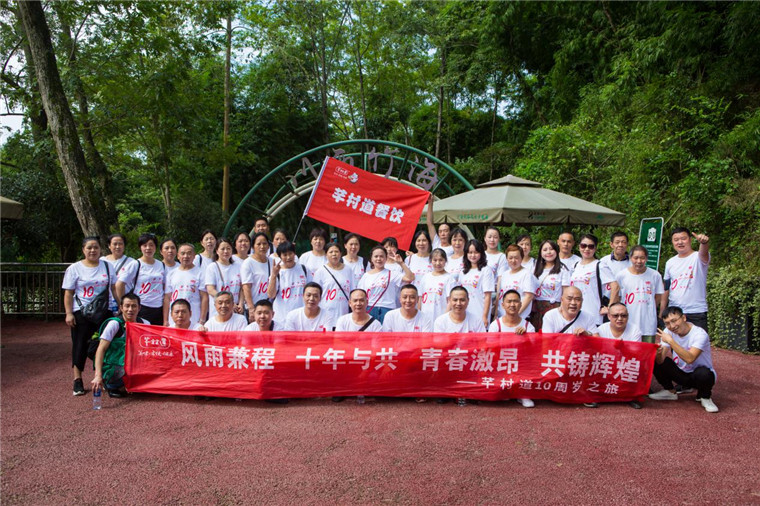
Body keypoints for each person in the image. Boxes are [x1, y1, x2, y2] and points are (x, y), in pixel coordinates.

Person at [63, 236, 117, 396]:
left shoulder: (107, 266)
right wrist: (69, 313)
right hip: (82, 312)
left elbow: (114, 288)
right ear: (83, 250)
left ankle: (103, 376)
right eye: (89, 247)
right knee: (79, 344)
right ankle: (77, 379)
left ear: (100, 249)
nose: (93, 250)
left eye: (96, 247)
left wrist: (120, 305)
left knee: (105, 343)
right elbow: (68, 293)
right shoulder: (74, 268)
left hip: (104, 311)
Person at [649, 306, 719, 413]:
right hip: (681, 374)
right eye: (667, 323)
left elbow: (690, 358)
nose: (672, 326)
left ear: (684, 318)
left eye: (674, 321)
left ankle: (705, 397)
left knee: (703, 373)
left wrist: (671, 341)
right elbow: (660, 361)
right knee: (652, 358)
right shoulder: (668, 331)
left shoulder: (699, 334)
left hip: (699, 375)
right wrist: (658, 354)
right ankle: (670, 391)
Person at [90, 293, 149, 398]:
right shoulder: (114, 324)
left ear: (139, 308)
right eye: (127, 306)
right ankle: (112, 385)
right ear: (121, 308)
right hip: (115, 362)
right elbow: (101, 349)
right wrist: (98, 375)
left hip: (135, 359)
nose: (130, 309)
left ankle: (134, 384)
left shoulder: (145, 324)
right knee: (122, 368)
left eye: (134, 306)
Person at [488, 290, 535, 408]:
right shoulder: (495, 325)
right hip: (501, 362)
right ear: (503, 305)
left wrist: (525, 337)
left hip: (520, 363)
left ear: (520, 304)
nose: (512, 305)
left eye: (515, 301)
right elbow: (490, 348)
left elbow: (534, 350)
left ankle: (522, 393)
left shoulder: (528, 326)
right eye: (509, 302)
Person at [592, 302, 644, 409]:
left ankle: (632, 397)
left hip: (626, 364)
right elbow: (597, 351)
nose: (620, 319)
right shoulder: (601, 329)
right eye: (615, 316)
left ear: (628, 316)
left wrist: (622, 349)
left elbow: (636, 354)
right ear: (609, 316)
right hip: (606, 364)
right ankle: (596, 395)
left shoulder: (635, 330)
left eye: (623, 316)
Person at [609, 246, 664, 343]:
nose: (639, 261)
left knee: (646, 350)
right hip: (627, 322)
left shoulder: (655, 275)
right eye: (636, 258)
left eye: (642, 258)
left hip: (647, 324)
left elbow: (658, 297)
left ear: (646, 258)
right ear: (630, 258)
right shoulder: (621, 275)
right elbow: (618, 297)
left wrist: (649, 308)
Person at [662, 227, 710, 331]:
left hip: (696, 312)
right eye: (676, 240)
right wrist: (662, 312)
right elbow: (666, 288)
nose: (680, 242)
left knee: (698, 341)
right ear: (672, 242)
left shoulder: (697, 257)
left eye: (683, 238)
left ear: (690, 240)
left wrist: (704, 243)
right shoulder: (670, 262)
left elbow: (704, 253)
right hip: (674, 313)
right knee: (673, 341)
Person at [115, 233, 166, 325]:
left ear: (155, 247)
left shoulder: (161, 265)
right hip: (142, 307)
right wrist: (122, 304)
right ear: (140, 247)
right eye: (144, 245)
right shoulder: (136, 264)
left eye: (151, 245)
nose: (148, 248)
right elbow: (119, 284)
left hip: (159, 308)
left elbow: (164, 286)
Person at [358, 244, 415, 323]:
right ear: (371, 259)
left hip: (388, 309)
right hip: (370, 308)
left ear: (386, 258)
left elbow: (410, 278)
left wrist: (401, 263)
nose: (379, 259)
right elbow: (361, 294)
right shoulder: (366, 276)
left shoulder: (392, 274)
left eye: (381, 256)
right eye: (376, 256)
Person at [569, 233, 615, 325]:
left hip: (594, 313)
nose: (587, 249)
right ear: (579, 247)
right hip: (575, 312)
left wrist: (610, 307)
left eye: (591, 246)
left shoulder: (600, 265)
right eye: (583, 246)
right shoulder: (575, 265)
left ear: (595, 248)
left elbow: (615, 286)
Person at [163, 243, 208, 328]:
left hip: (194, 318)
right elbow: (167, 298)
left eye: (189, 253)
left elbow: (204, 297)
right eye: (183, 253)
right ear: (178, 256)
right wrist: (165, 320)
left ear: (194, 256)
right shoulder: (171, 273)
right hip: (174, 318)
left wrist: (202, 319)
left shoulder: (200, 273)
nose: (186, 256)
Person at [267, 241, 310, 326]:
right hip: (282, 319)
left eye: (290, 253)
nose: (288, 257)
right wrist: (274, 275)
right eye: (285, 255)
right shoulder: (277, 272)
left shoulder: (304, 269)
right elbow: (271, 295)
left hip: (301, 318)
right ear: (280, 256)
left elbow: (311, 290)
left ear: (294, 253)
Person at [530, 240, 570, 331]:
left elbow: (566, 292)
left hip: (554, 307)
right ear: (540, 253)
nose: (548, 252)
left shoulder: (563, 270)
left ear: (556, 250)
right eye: (545, 250)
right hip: (536, 309)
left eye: (551, 249)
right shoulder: (535, 268)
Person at [312, 243, 354, 323]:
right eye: (331, 252)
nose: (334, 254)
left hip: (344, 311)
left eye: (336, 251)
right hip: (325, 312)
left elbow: (353, 290)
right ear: (326, 254)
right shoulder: (320, 271)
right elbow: (315, 292)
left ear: (340, 254)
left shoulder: (348, 270)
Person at [496, 244, 538, 322]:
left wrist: (515, 314)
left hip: (519, 318)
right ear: (507, 259)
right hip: (503, 318)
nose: (513, 260)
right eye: (510, 258)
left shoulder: (527, 274)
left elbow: (529, 296)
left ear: (521, 258)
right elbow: (500, 296)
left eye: (516, 258)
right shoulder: (504, 275)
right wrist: (496, 314)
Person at [458, 239, 494, 327]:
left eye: (476, 252)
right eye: (470, 252)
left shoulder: (486, 270)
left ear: (481, 253)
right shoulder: (463, 272)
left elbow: (488, 296)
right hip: (465, 312)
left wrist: (485, 316)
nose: (473, 255)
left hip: (479, 311)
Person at [204, 237, 243, 320]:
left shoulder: (238, 266)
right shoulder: (212, 267)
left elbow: (242, 288)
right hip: (218, 312)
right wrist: (228, 303)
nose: (226, 251)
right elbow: (210, 289)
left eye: (228, 248)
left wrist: (240, 304)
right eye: (222, 249)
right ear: (217, 251)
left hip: (236, 311)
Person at [241, 232, 274, 316]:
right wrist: (251, 308)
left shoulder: (272, 261)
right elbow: (246, 287)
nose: (262, 247)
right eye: (258, 244)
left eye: (264, 243)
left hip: (269, 307)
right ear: (253, 246)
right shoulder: (248, 263)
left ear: (268, 246)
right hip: (255, 307)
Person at [419, 248, 457, 321]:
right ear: (431, 261)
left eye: (441, 260)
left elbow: (450, 300)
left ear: (445, 261)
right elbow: (420, 298)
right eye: (435, 260)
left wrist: (445, 318)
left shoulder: (449, 279)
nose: (438, 263)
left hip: (441, 316)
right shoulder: (425, 277)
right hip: (425, 317)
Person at [101, 233, 134, 315]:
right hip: (105, 303)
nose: (118, 246)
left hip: (125, 303)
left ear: (124, 246)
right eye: (115, 244)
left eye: (120, 244)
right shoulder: (102, 261)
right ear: (109, 246)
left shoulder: (132, 262)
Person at [598, 231, 631, 303]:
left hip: (627, 301)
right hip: (607, 300)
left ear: (627, 244)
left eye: (623, 242)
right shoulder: (603, 262)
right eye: (617, 242)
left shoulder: (633, 263)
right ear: (611, 244)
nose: (620, 245)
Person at [483, 227, 507, 292]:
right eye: (489, 237)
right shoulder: (480, 255)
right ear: (485, 238)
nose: (492, 240)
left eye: (495, 237)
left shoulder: (502, 257)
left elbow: (501, 278)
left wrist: (497, 295)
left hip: (494, 292)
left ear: (499, 239)